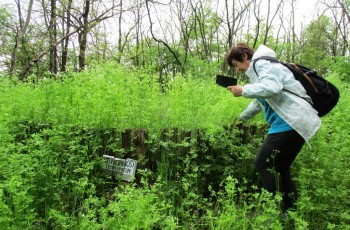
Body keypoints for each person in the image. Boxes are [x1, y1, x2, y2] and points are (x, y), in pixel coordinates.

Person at [225, 43, 321, 215]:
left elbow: (272, 88)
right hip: (292, 121)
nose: (238, 70)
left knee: (262, 163)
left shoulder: (262, 64)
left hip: (290, 121)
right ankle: (290, 214)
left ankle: (276, 210)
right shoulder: (261, 69)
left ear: (244, 57)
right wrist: (241, 118)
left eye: (236, 64)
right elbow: (260, 100)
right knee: (281, 167)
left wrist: (244, 89)